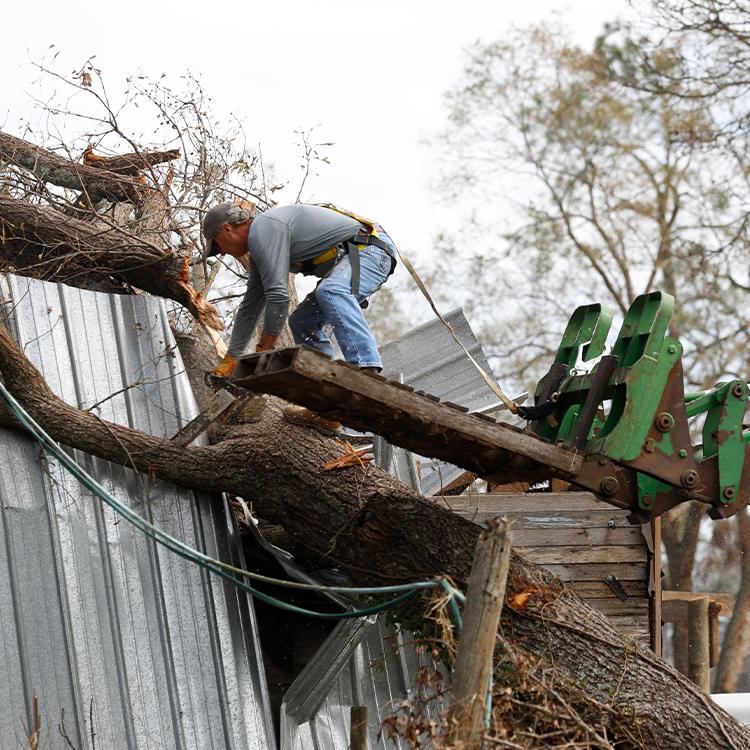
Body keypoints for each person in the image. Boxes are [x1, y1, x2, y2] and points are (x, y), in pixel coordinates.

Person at [202, 201, 397, 433]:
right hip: (352, 258)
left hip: (368, 250)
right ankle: (327, 409)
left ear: (227, 229)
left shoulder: (264, 227)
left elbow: (278, 294)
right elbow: (251, 305)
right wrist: (231, 358)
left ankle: (366, 372)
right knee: (302, 321)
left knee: (331, 291)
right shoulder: (260, 247)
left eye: (217, 246)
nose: (222, 252)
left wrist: (264, 348)